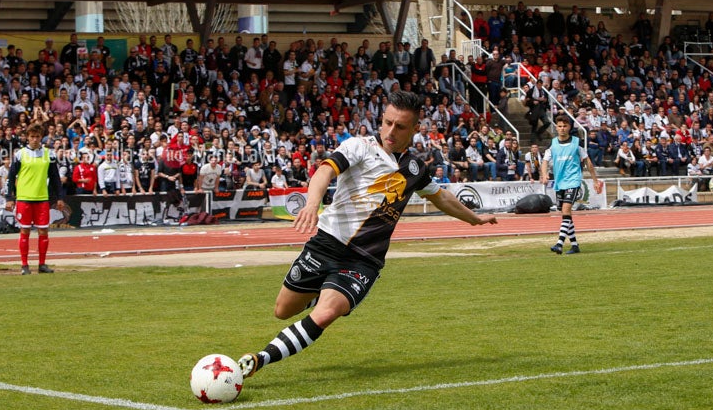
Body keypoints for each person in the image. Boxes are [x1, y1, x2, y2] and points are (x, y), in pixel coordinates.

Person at [237, 91, 498, 379]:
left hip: (364, 261)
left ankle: (259, 359)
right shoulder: (359, 147)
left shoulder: (414, 168)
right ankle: (325, 292)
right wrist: (313, 203)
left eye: (400, 127)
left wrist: (475, 220)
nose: (390, 131)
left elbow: (442, 198)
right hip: (326, 244)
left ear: (415, 129)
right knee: (283, 310)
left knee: (325, 314)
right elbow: (324, 172)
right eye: (387, 123)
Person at [5, 122, 64, 276]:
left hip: (42, 198)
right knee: (24, 231)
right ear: (27, 138)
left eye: (38, 136)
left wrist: (59, 197)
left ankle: (42, 264)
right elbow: (11, 177)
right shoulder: (20, 154)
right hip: (24, 198)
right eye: (32, 137)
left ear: (41, 137)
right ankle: (24, 265)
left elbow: (55, 177)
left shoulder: (48, 154)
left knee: (43, 231)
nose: (35, 139)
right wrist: (9, 197)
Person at [540, 113, 603, 255]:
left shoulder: (576, 143)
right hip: (559, 182)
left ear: (569, 127)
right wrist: (544, 174)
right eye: (559, 126)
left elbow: (588, 162)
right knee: (565, 213)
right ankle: (575, 245)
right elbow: (544, 161)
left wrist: (595, 180)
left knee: (566, 210)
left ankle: (559, 244)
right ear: (556, 128)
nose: (562, 128)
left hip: (573, 181)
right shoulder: (553, 144)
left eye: (565, 126)